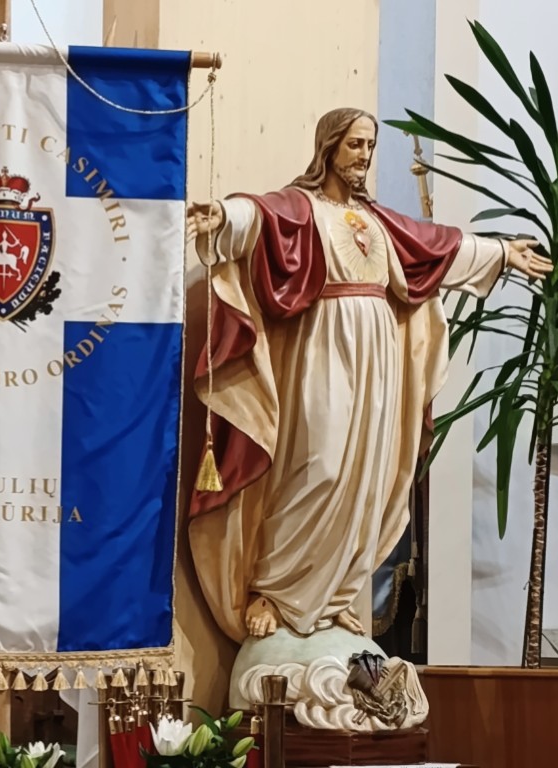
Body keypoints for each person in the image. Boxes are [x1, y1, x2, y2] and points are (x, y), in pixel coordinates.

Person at [187, 107, 551, 644]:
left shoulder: (377, 219)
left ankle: (332, 598)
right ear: (329, 146)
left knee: (368, 476)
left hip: (379, 357)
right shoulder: (304, 206)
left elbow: (437, 247)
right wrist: (223, 215)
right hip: (326, 347)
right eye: (355, 144)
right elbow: (260, 217)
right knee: (320, 464)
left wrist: (500, 250)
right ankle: (275, 589)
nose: (364, 155)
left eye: (370, 145)